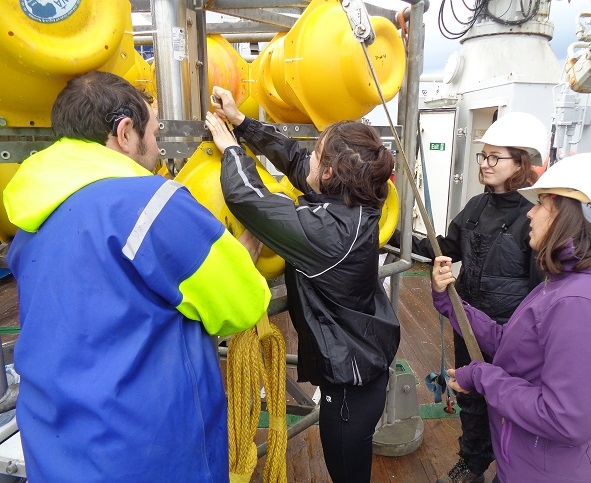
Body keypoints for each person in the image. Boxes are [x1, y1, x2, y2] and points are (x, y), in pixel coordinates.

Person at [2, 71, 271, 482]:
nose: (159, 145)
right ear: (124, 132)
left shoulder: (30, 216)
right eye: (154, 131)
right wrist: (246, 257)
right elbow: (242, 303)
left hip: (55, 444)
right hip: (148, 452)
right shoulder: (152, 205)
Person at [205, 85, 400, 483]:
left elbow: (248, 198)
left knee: (347, 472)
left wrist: (230, 150)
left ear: (329, 173)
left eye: (317, 154)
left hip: (349, 387)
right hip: (364, 366)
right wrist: (244, 124)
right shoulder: (358, 201)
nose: (307, 156)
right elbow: (295, 162)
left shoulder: (330, 233)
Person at [431, 152, 591, 483]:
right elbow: (512, 344)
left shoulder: (581, 304)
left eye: (542, 204)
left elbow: (565, 420)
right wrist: (450, 302)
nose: (530, 213)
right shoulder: (563, 282)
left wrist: (484, 378)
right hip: (524, 461)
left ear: (572, 215)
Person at [393, 112, 548, 482]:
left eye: (496, 157)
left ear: (522, 163)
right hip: (468, 322)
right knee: (470, 395)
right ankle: (473, 461)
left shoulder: (536, 216)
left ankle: (512, 468)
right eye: (484, 156)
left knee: (511, 403)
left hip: (512, 334)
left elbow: (542, 290)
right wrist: (393, 235)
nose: (485, 164)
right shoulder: (477, 207)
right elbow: (446, 247)